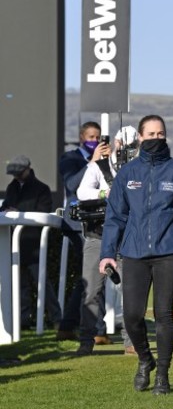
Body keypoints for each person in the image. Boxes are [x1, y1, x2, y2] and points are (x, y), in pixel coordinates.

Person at [99, 115, 173, 396]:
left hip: (169, 253)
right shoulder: (127, 174)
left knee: (164, 315)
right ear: (139, 136)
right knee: (133, 316)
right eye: (150, 133)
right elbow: (114, 217)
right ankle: (145, 360)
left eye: (160, 134)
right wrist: (107, 253)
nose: (156, 138)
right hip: (133, 254)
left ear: (166, 136)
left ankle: (162, 373)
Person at [75, 126, 138, 356]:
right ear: (116, 143)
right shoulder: (98, 166)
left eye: (132, 147)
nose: (127, 151)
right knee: (91, 291)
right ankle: (86, 341)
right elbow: (82, 193)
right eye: (124, 146)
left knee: (130, 291)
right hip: (97, 235)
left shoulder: (139, 169)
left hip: (127, 237)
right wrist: (105, 193)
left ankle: (131, 342)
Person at [57, 121, 111, 341]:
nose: (95, 141)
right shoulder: (70, 159)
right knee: (93, 275)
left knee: (87, 278)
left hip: (98, 222)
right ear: (81, 137)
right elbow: (71, 185)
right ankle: (95, 329)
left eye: (98, 138)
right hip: (77, 225)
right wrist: (92, 161)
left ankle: (68, 325)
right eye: (91, 137)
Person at [1, 155, 61, 329]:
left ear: (27, 169)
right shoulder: (13, 187)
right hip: (17, 243)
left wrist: (17, 211)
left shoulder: (41, 188)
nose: (16, 177)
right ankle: (23, 320)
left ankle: (57, 319)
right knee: (20, 285)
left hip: (34, 244)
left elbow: (43, 210)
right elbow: (6, 206)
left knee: (42, 283)